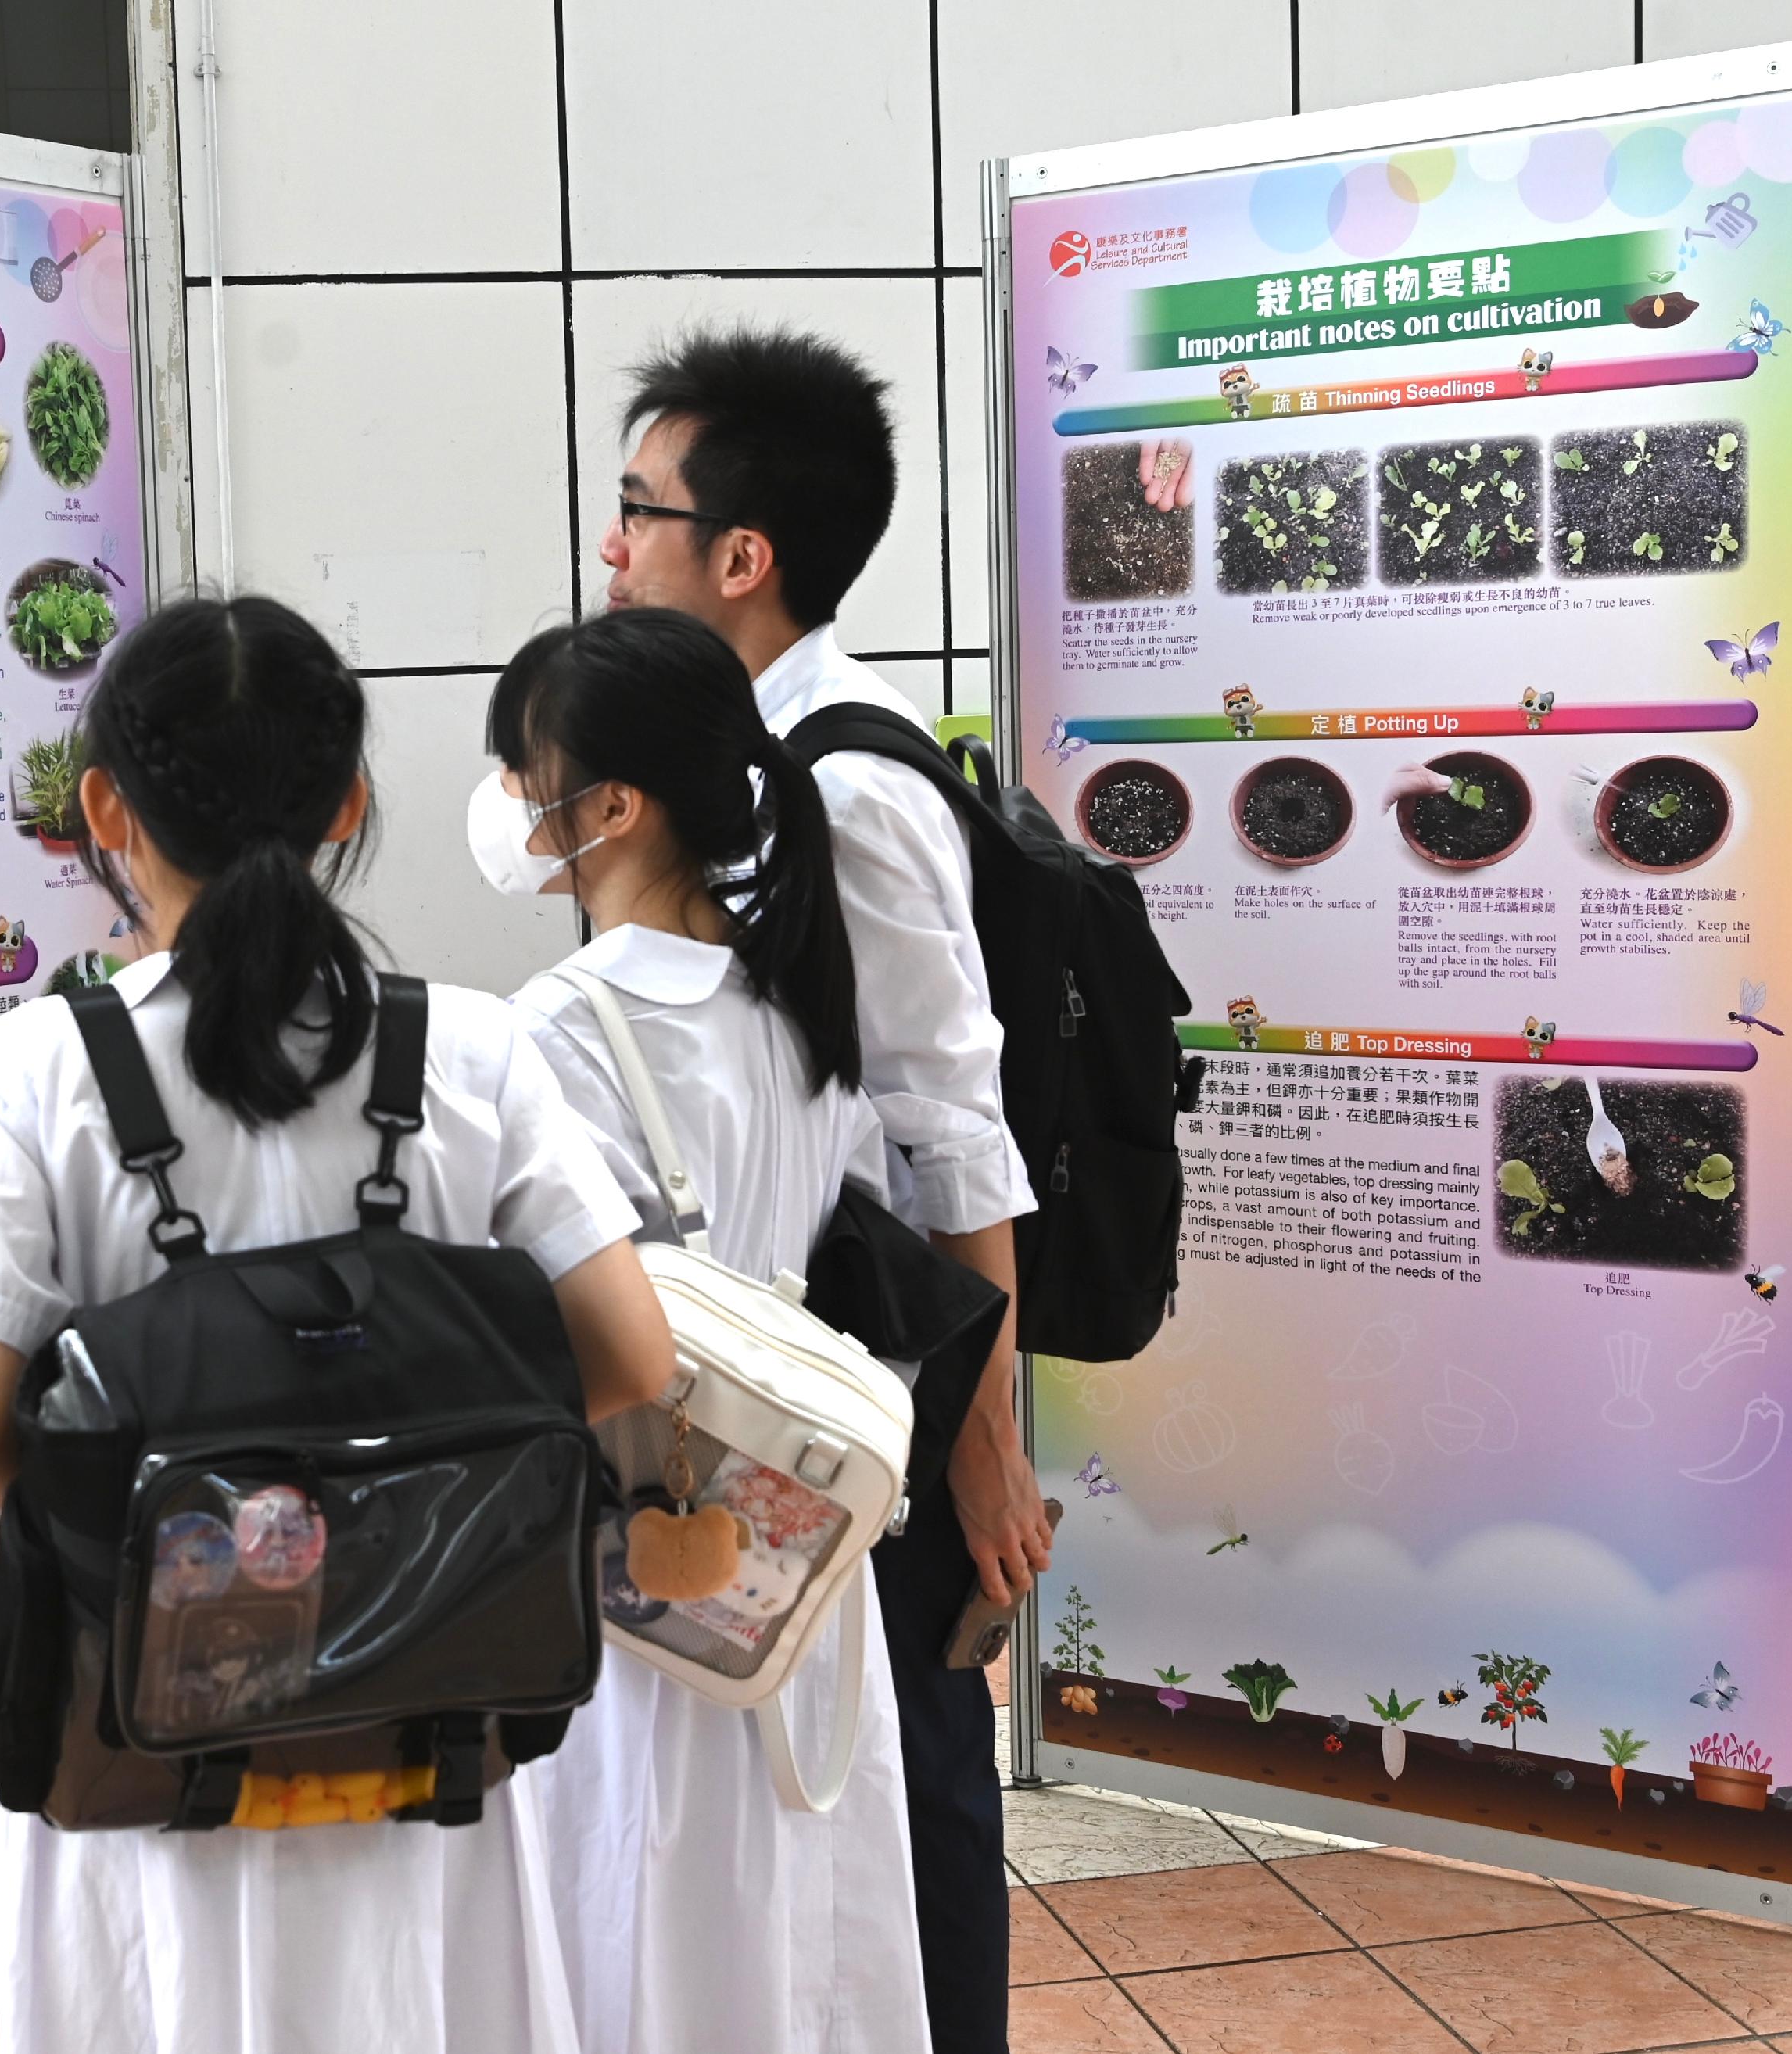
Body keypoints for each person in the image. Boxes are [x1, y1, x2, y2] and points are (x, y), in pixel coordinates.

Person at [0, 593, 678, 2054]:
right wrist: (392, 1532)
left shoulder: (34, 1072)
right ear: (350, 802)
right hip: (426, 1739)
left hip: (141, 1756)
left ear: (105, 809)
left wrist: (199, 1554)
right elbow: (631, 1358)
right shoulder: (470, 1048)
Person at [600, 325, 1050, 2051]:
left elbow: (952, 1125)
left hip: (876, 1381)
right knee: (808, 1775)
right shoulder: (726, 758)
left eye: (634, 509)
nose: (610, 546)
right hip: (780, 1371)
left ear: (739, 554)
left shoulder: (843, 788)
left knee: (909, 1785)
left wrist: (983, 1433)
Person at [475, 607, 928, 2052]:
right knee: (811, 1920)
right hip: (802, 1547)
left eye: (518, 771)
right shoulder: (799, 992)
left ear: (610, 806)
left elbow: (546, 1325)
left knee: (643, 1909)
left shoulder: (551, 1030)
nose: (506, 804)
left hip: (639, 1553)